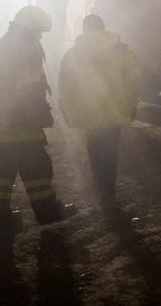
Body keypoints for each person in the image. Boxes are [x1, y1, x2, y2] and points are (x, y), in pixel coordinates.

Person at [0, 6, 73, 233]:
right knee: (36, 170)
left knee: (0, 174)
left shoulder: (3, 44)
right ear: (29, 29)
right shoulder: (26, 49)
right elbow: (29, 89)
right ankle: (49, 214)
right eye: (38, 31)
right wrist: (40, 113)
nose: (40, 36)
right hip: (21, 125)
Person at [58, 14, 139, 210]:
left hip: (89, 113)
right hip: (114, 112)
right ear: (103, 28)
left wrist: (67, 111)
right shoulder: (123, 51)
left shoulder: (73, 54)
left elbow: (66, 86)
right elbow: (132, 81)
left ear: (84, 29)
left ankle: (101, 193)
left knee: (95, 153)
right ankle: (109, 193)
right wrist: (132, 106)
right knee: (110, 154)